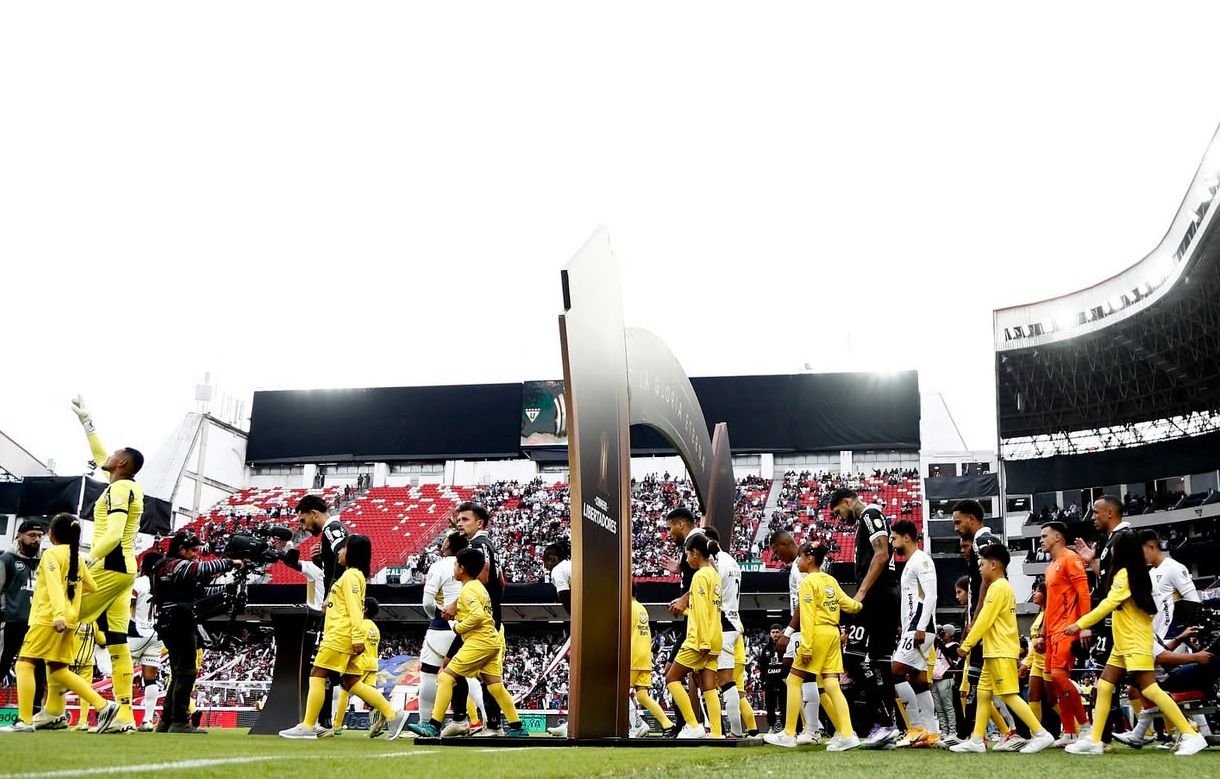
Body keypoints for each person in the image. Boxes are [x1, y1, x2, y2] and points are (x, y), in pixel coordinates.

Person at [1064, 532, 1207, 756]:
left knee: (1150, 688)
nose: (1110, 551)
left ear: (1120, 551)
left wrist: (1079, 624)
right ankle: (1094, 740)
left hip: (1133, 642)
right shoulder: (1135, 573)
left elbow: (1109, 603)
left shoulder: (1125, 574)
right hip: (1125, 643)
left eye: (1114, 548)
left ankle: (1191, 734)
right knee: (1103, 686)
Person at [56, 397, 143, 733]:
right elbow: (98, 454)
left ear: (120, 462)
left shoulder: (118, 491)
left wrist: (84, 559)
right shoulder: (124, 484)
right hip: (125, 570)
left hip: (109, 564)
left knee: (62, 620)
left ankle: (55, 709)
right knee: (118, 640)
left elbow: (116, 532)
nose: (104, 458)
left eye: (112, 455)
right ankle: (124, 716)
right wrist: (87, 423)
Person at [280, 535, 409, 740]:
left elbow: (355, 608)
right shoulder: (352, 576)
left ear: (352, 552)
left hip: (339, 635)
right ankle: (394, 715)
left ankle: (308, 725)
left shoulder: (351, 576)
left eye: (343, 548)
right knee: (352, 683)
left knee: (317, 674)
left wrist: (357, 636)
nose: (338, 552)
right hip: (344, 635)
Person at [0, 513, 118, 733]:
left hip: (48, 619)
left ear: (52, 534)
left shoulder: (52, 554)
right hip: (70, 621)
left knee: (24, 664)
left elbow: (54, 584)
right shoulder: (79, 557)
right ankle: (104, 706)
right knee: (58, 670)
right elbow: (91, 587)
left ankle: (24, 721)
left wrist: (58, 615)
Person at [406, 547, 528, 738]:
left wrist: (457, 627)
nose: (453, 567)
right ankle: (517, 726)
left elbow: (478, 616)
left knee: (445, 678)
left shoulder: (468, 589)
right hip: (492, 640)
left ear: (461, 569)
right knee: (495, 685)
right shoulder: (479, 587)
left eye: (455, 564)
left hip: (479, 640)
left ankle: (433, 726)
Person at [949, 545, 1055, 754]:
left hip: (1000, 650)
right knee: (982, 693)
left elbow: (984, 620)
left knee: (1008, 695)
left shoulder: (998, 587)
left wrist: (966, 645)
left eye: (982, 564)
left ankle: (1041, 733)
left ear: (994, 565)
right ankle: (977, 738)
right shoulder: (1002, 587)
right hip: (995, 650)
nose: (980, 568)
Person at [765, 542, 862, 751]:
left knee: (792, 680)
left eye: (800, 557)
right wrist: (861, 604)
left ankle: (789, 733)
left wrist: (806, 647)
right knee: (831, 684)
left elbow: (807, 617)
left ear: (809, 558)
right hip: (833, 633)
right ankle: (847, 733)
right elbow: (849, 604)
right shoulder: (831, 581)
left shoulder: (808, 582)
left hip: (816, 634)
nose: (797, 561)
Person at [150, 531, 242, 734]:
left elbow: (199, 592)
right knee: (187, 672)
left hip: (170, 622)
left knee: (178, 673)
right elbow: (200, 569)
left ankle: (167, 720)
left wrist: (229, 588)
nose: (195, 554)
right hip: (178, 622)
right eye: (192, 550)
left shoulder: (168, 567)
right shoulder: (174, 565)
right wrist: (231, 563)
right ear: (181, 549)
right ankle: (179, 721)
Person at [829, 487, 900, 747]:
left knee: (853, 657)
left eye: (839, 512)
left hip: (876, 596)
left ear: (848, 501)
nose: (839, 518)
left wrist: (860, 593)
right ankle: (886, 728)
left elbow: (882, 554)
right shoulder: (867, 520)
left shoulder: (870, 513)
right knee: (881, 661)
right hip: (886, 595)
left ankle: (883, 721)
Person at [442, 502, 507, 738]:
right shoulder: (484, 544)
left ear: (479, 523)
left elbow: (484, 578)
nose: (460, 523)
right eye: (459, 520)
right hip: (488, 618)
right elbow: (501, 581)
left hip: (479, 622)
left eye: (465, 520)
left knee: (453, 668)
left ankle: (470, 721)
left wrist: (456, 604)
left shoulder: (479, 545)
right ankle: (485, 722)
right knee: (484, 675)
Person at [1073, 495, 1134, 742]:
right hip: (1114, 621)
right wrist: (1093, 563)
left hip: (1125, 622)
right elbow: (1109, 583)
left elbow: (1118, 591)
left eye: (1096, 512)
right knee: (1109, 684)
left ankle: (1188, 731)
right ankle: (1101, 739)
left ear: (1110, 513)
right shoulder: (1111, 541)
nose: (1093, 517)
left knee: (1143, 684)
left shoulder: (1125, 538)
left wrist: (1086, 623)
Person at [418, 532, 483, 735]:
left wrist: (435, 616)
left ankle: (426, 721)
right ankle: (483, 721)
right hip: (468, 628)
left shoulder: (439, 566)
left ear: (448, 545)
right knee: (468, 677)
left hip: (442, 626)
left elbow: (428, 602)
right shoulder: (473, 567)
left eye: (445, 540)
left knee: (429, 674)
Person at [295, 494, 350, 730]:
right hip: (339, 606)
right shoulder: (328, 533)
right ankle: (390, 714)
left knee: (320, 666)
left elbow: (346, 554)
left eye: (303, 519)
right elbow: (338, 559)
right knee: (345, 674)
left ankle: (314, 723)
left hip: (337, 608)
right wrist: (321, 561)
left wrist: (333, 591)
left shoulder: (332, 527)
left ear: (314, 514)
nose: (302, 526)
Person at [664, 532, 724, 740]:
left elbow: (699, 611)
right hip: (715, 637)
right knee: (709, 686)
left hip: (699, 640)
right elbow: (709, 609)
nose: (686, 559)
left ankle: (692, 724)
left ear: (695, 553)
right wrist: (685, 610)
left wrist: (703, 641)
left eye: (687, 555)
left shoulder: (699, 576)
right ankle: (716, 733)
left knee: (671, 678)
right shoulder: (714, 575)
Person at [1039, 520, 1092, 746]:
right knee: (1055, 680)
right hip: (1052, 631)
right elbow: (1050, 603)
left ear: (1058, 537)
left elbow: (1084, 593)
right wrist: (1042, 632)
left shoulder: (1072, 559)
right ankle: (1069, 731)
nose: (1041, 540)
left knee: (1061, 676)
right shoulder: (1050, 566)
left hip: (1069, 627)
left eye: (1044, 536)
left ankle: (1086, 726)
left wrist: (1084, 625)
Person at [889, 519, 939, 748]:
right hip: (914, 626)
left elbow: (931, 595)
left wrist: (920, 626)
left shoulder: (921, 560)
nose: (892, 541)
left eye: (895, 537)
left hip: (920, 627)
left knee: (896, 671)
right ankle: (932, 733)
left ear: (906, 537)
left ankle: (916, 728)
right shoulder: (911, 562)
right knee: (918, 680)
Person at [704, 526, 756, 739]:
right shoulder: (733, 561)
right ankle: (737, 729)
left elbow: (712, 592)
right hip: (735, 621)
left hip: (724, 622)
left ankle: (736, 731)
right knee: (728, 681)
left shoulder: (717, 564)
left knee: (726, 681)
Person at [768, 530, 819, 742]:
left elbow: (803, 603)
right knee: (808, 678)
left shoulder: (801, 567)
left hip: (804, 627)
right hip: (807, 627)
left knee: (795, 674)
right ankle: (811, 730)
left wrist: (788, 632)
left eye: (776, 552)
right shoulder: (801, 564)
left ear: (784, 544)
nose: (776, 558)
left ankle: (801, 730)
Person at [0, 520, 45, 711]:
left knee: (40, 666)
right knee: (4, 662)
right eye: (31, 535)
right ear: (19, 535)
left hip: (38, 622)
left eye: (39, 536)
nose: (36, 540)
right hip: (13, 621)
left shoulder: (44, 560)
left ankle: (34, 709)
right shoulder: (7, 559)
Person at [1140, 529, 1199, 643]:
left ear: (1151, 547)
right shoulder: (1151, 573)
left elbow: (1193, 601)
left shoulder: (1174, 567)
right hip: (1156, 638)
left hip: (1174, 637)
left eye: (1141, 551)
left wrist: (1189, 635)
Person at [628, 585, 672, 738]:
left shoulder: (626, 608)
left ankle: (638, 725)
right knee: (642, 696)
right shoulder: (641, 608)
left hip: (631, 656)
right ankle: (667, 724)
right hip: (645, 657)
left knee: (617, 693)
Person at [128, 550, 165, 731]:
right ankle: (148, 720)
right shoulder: (165, 584)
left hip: (137, 632)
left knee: (124, 674)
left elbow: (130, 606)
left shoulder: (139, 583)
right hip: (157, 634)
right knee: (150, 677)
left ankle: (124, 717)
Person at [333, 597, 381, 736]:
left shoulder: (360, 625)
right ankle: (375, 725)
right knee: (371, 698)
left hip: (361, 664)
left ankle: (336, 726)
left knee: (344, 692)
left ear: (365, 609)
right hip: (373, 664)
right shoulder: (375, 628)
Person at [931, 624, 961, 742]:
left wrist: (940, 641)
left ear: (950, 634)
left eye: (944, 632)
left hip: (946, 678)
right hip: (935, 679)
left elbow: (950, 654)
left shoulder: (955, 646)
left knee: (948, 707)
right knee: (939, 708)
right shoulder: (937, 645)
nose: (942, 634)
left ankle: (952, 731)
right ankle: (944, 731)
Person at [759, 625, 787, 733]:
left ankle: (785, 727)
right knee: (770, 706)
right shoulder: (766, 649)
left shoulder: (786, 646)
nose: (775, 634)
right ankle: (771, 727)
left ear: (781, 633)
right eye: (773, 632)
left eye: (777, 632)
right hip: (770, 681)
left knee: (784, 705)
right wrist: (763, 681)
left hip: (782, 681)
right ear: (770, 634)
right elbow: (762, 666)